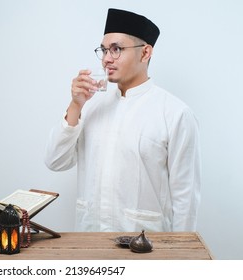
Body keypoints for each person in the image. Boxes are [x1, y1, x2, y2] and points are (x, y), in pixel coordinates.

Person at [44, 8, 201, 232]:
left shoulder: (175, 114)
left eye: (116, 49)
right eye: (104, 50)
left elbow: (185, 197)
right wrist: (76, 105)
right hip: (90, 240)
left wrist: (180, 255)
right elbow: (55, 161)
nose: (107, 59)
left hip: (147, 246)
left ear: (145, 53)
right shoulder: (91, 106)